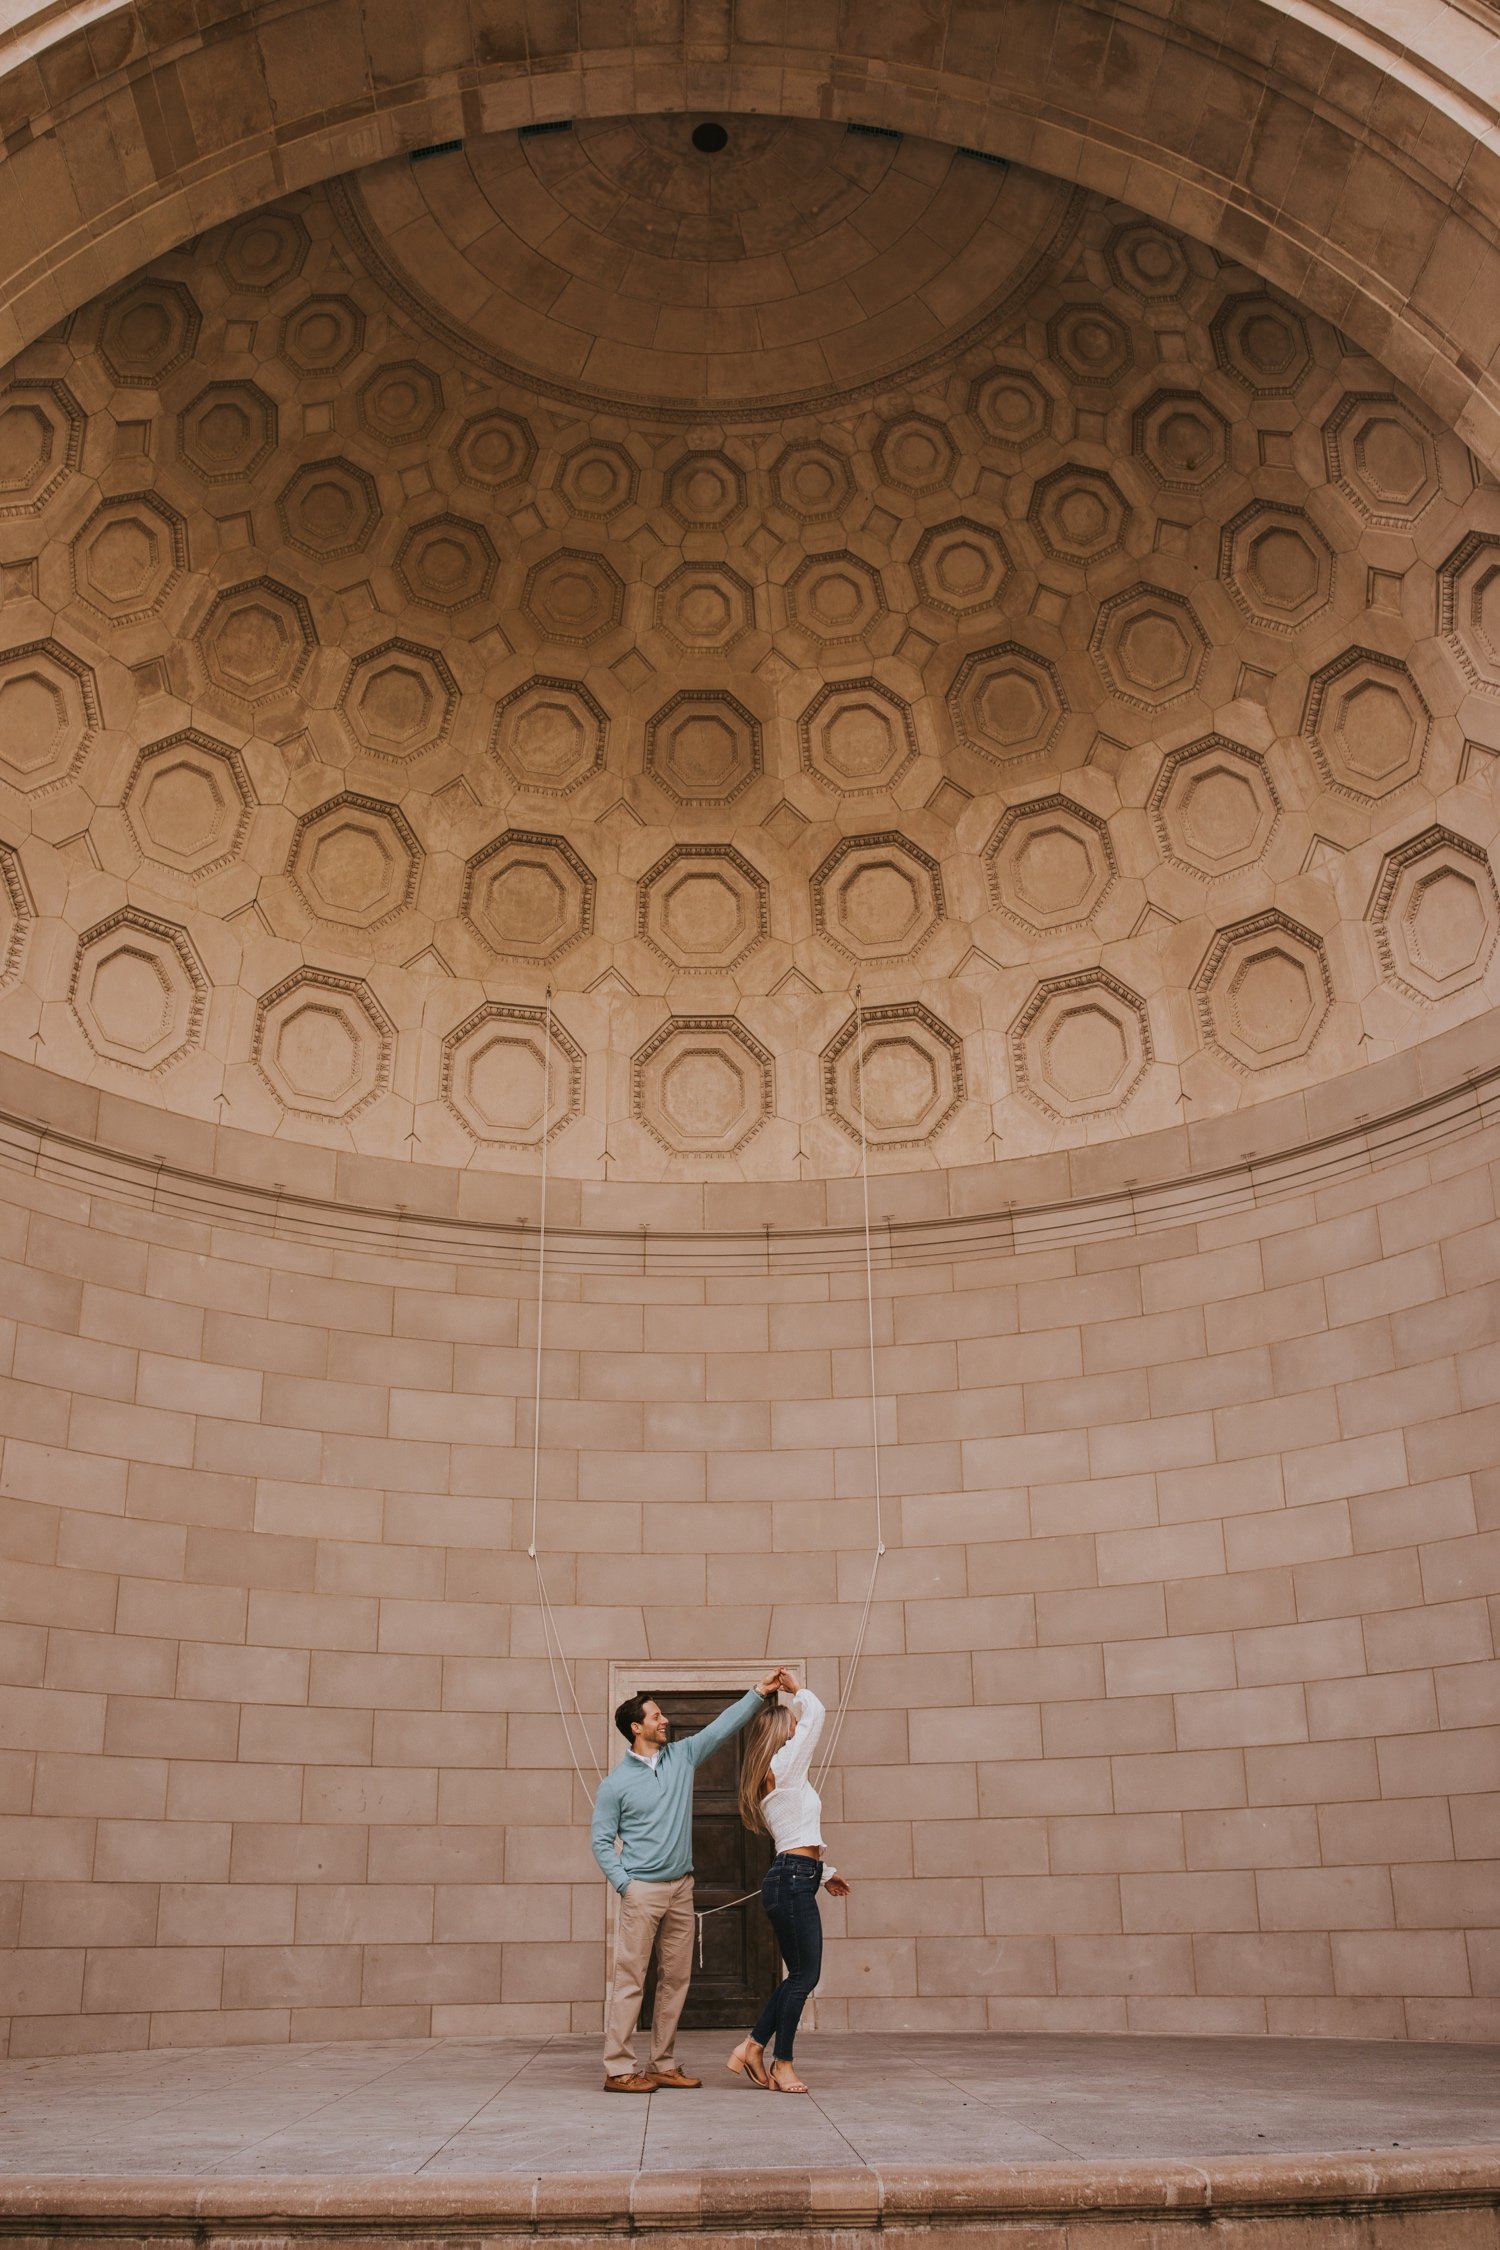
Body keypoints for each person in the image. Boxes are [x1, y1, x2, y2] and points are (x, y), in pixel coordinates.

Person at [591, 1669, 792, 2093]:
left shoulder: (682, 1757)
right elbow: (601, 1842)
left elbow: (722, 1727)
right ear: (636, 1727)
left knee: (676, 1979)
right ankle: (618, 2069)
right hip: (641, 1892)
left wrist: (760, 1693)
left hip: (681, 1887)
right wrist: (626, 1885)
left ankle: (662, 2062)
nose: (664, 1720)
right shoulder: (616, 1784)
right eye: (656, 1715)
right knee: (631, 1979)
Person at [726, 1670, 850, 2094]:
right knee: (804, 1976)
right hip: (792, 1878)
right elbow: (816, 1714)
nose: (798, 1732)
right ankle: (781, 2061)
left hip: (795, 1875)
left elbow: (796, 1834)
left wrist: (826, 1874)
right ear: (782, 1733)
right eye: (791, 1728)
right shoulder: (785, 1764)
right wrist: (798, 1691)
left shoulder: (778, 1773)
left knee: (800, 1974)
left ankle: (753, 2046)